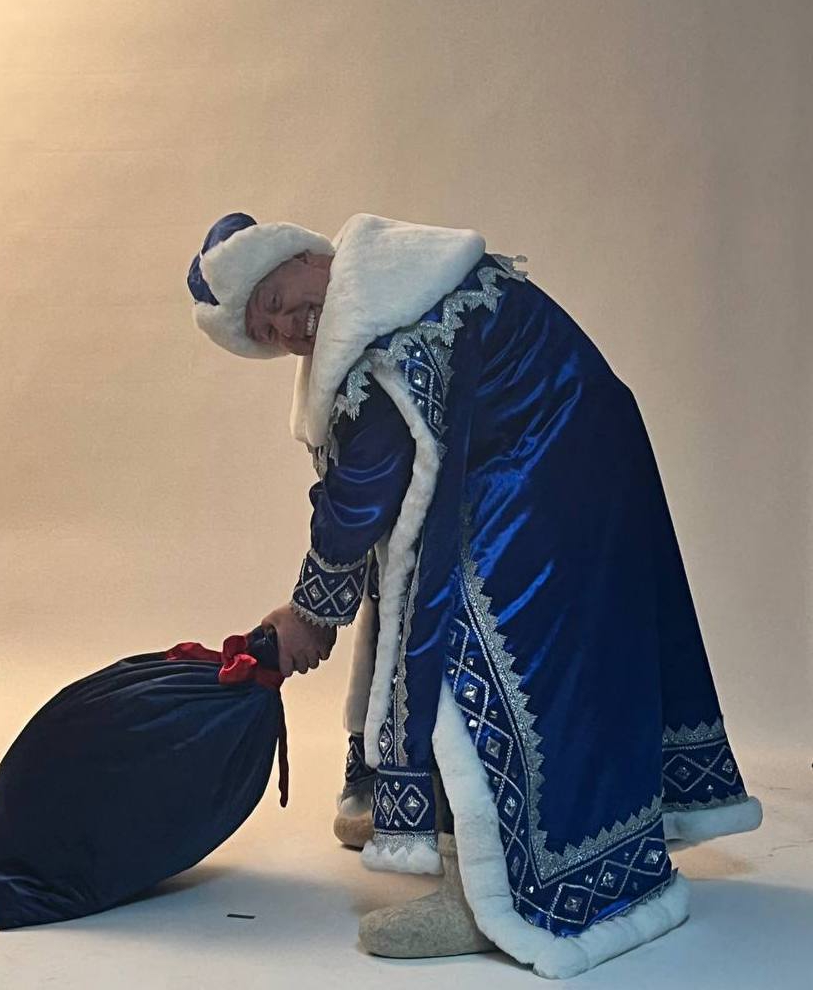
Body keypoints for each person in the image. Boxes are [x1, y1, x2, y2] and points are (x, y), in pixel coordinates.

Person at [186, 210, 763, 978]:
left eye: (278, 302)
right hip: (572, 464)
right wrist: (321, 603)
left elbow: (365, 492)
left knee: (463, 646)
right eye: (269, 332)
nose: (290, 328)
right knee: (443, 614)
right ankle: (426, 808)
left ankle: (490, 887)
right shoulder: (394, 281)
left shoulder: (386, 328)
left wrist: (308, 614)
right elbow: (385, 486)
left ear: (304, 257)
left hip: (542, 484)